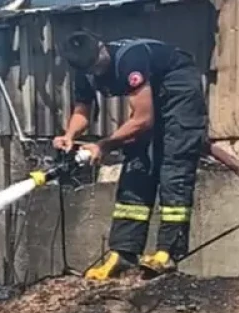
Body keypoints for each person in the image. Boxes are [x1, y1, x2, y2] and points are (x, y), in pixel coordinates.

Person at [54, 31, 208, 281]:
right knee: (137, 167)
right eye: (92, 69)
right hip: (149, 98)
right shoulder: (85, 71)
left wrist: (104, 145)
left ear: (102, 47)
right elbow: (83, 109)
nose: (98, 69)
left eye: (99, 62)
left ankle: (167, 251)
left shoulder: (129, 60)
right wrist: (69, 135)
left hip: (179, 92)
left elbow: (144, 119)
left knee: (174, 167)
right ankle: (124, 253)